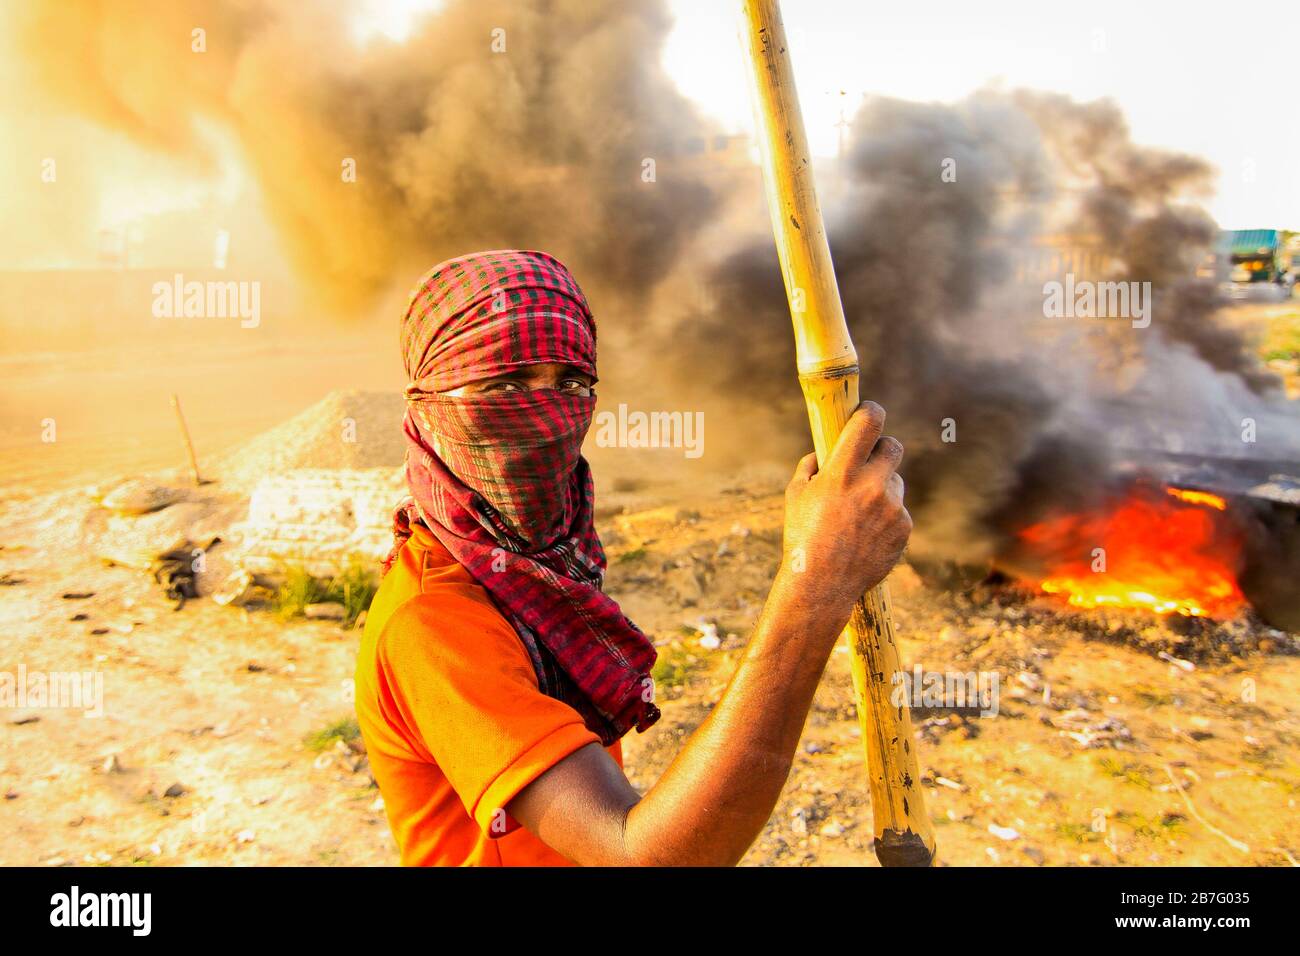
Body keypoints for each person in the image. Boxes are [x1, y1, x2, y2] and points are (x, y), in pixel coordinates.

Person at [353, 249, 911, 866]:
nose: (547, 414)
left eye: (570, 383)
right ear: (429, 401)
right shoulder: (435, 622)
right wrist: (817, 581)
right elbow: (637, 854)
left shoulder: (532, 570)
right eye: (506, 384)